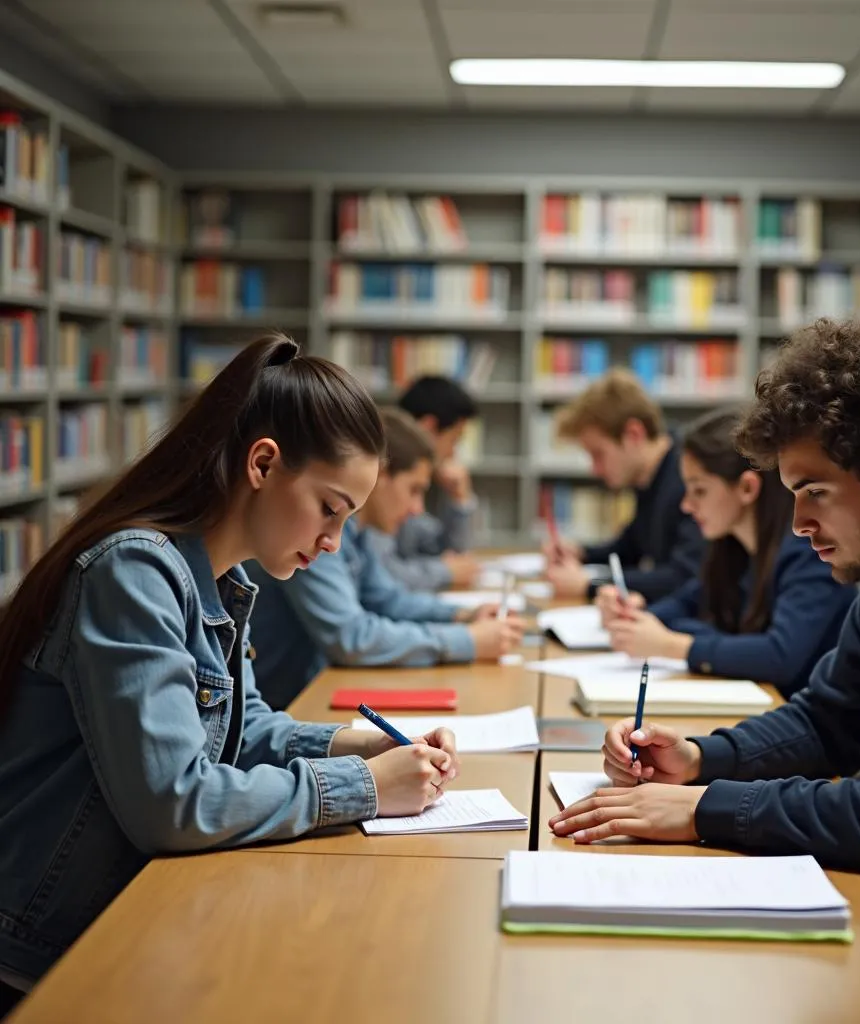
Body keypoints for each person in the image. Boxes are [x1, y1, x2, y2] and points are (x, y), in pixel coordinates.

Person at [550, 318, 860, 1007]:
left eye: (815, 491)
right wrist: (700, 758)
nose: (798, 523)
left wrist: (706, 809)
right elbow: (827, 721)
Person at [0, 335, 461, 1004]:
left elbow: (236, 731)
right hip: (43, 953)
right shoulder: (134, 572)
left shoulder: (221, 576)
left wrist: (360, 744)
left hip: (124, 915)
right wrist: (363, 785)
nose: (333, 545)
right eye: (330, 509)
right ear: (264, 463)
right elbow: (173, 800)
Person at [247, 406, 523, 710]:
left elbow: (387, 599)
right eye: (414, 490)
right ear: (381, 475)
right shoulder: (310, 535)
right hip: (285, 705)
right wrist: (466, 640)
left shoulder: (352, 531)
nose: (418, 508)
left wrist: (463, 617)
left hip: (306, 697)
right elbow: (351, 637)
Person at [595, 408, 854, 698]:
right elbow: (689, 601)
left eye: (699, 491)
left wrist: (672, 645)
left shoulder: (809, 552)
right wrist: (635, 616)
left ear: (746, 488)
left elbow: (779, 656)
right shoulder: (732, 547)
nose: (687, 506)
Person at [541, 369, 703, 603]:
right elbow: (631, 547)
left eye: (598, 454)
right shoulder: (651, 477)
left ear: (633, 435)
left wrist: (590, 585)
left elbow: (683, 577)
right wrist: (581, 553)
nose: (595, 469)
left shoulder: (687, 479)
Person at [392, 375, 481, 590]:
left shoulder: (410, 479)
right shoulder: (385, 476)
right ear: (429, 428)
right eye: (454, 440)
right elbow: (382, 575)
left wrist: (461, 500)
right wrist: (444, 571)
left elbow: (450, 552)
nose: (453, 452)